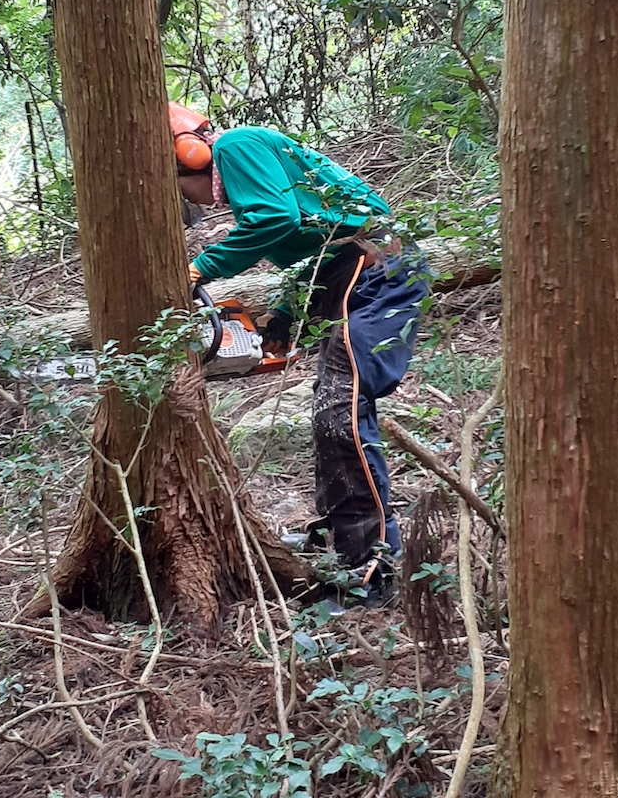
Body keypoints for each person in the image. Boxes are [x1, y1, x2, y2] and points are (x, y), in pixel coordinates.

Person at [171, 102, 428, 599]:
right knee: (332, 410)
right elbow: (314, 248)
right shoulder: (250, 166)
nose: (200, 201)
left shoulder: (233, 146)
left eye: (185, 186)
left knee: (342, 407)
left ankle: (373, 567)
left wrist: (201, 267)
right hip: (352, 267)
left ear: (190, 153)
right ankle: (342, 540)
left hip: (376, 264)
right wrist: (285, 316)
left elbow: (275, 218)